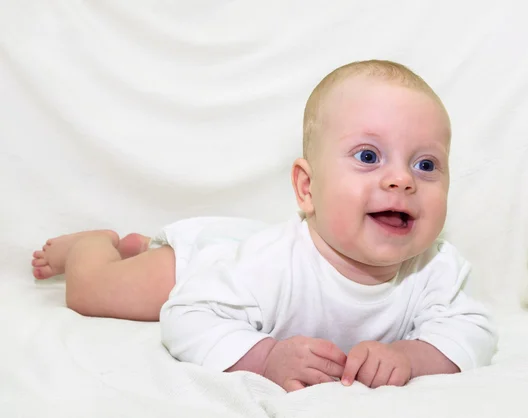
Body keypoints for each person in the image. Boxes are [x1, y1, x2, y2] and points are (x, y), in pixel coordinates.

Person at [31, 60, 497, 392]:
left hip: (241, 246)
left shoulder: (435, 268)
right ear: (307, 189)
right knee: (93, 293)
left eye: (426, 164)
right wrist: (265, 357)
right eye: (369, 156)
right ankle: (93, 245)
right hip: (203, 265)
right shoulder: (265, 266)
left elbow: (474, 330)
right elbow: (187, 316)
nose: (402, 179)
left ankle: (140, 245)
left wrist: (410, 357)